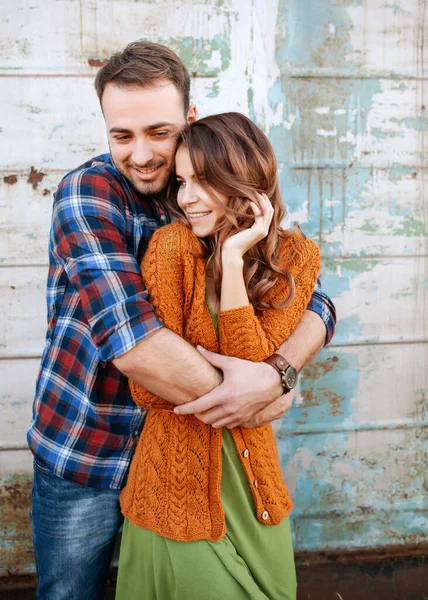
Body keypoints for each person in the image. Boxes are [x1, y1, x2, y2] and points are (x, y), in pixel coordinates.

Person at [27, 42, 336, 600]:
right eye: (122, 135)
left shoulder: (205, 185)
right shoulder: (89, 194)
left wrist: (279, 371)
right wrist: (259, 398)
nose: (141, 154)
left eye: (158, 132)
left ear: (188, 121)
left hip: (191, 452)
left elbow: (314, 301)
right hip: (88, 445)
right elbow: (136, 345)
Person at [115, 113, 321, 600]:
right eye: (182, 182)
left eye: (202, 182)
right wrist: (255, 389)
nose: (185, 198)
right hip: (172, 485)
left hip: (254, 491)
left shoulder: (297, 257)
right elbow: (147, 386)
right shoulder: (170, 248)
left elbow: (255, 366)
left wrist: (231, 260)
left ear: (245, 183)